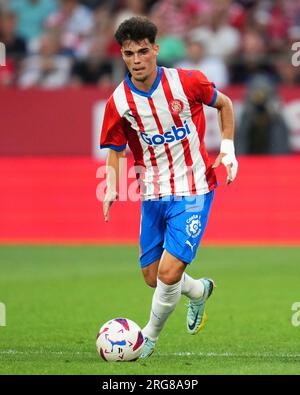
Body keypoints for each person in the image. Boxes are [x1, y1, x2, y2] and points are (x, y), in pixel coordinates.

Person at [100, 16, 238, 359]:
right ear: (122, 55)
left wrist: (228, 148)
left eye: (143, 51)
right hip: (152, 193)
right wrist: (111, 186)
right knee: (153, 277)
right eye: (129, 53)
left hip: (194, 188)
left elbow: (226, 104)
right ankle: (199, 290)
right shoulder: (118, 102)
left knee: (168, 271)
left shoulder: (187, 82)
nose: (136, 60)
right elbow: (116, 149)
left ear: (155, 50)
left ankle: (147, 339)